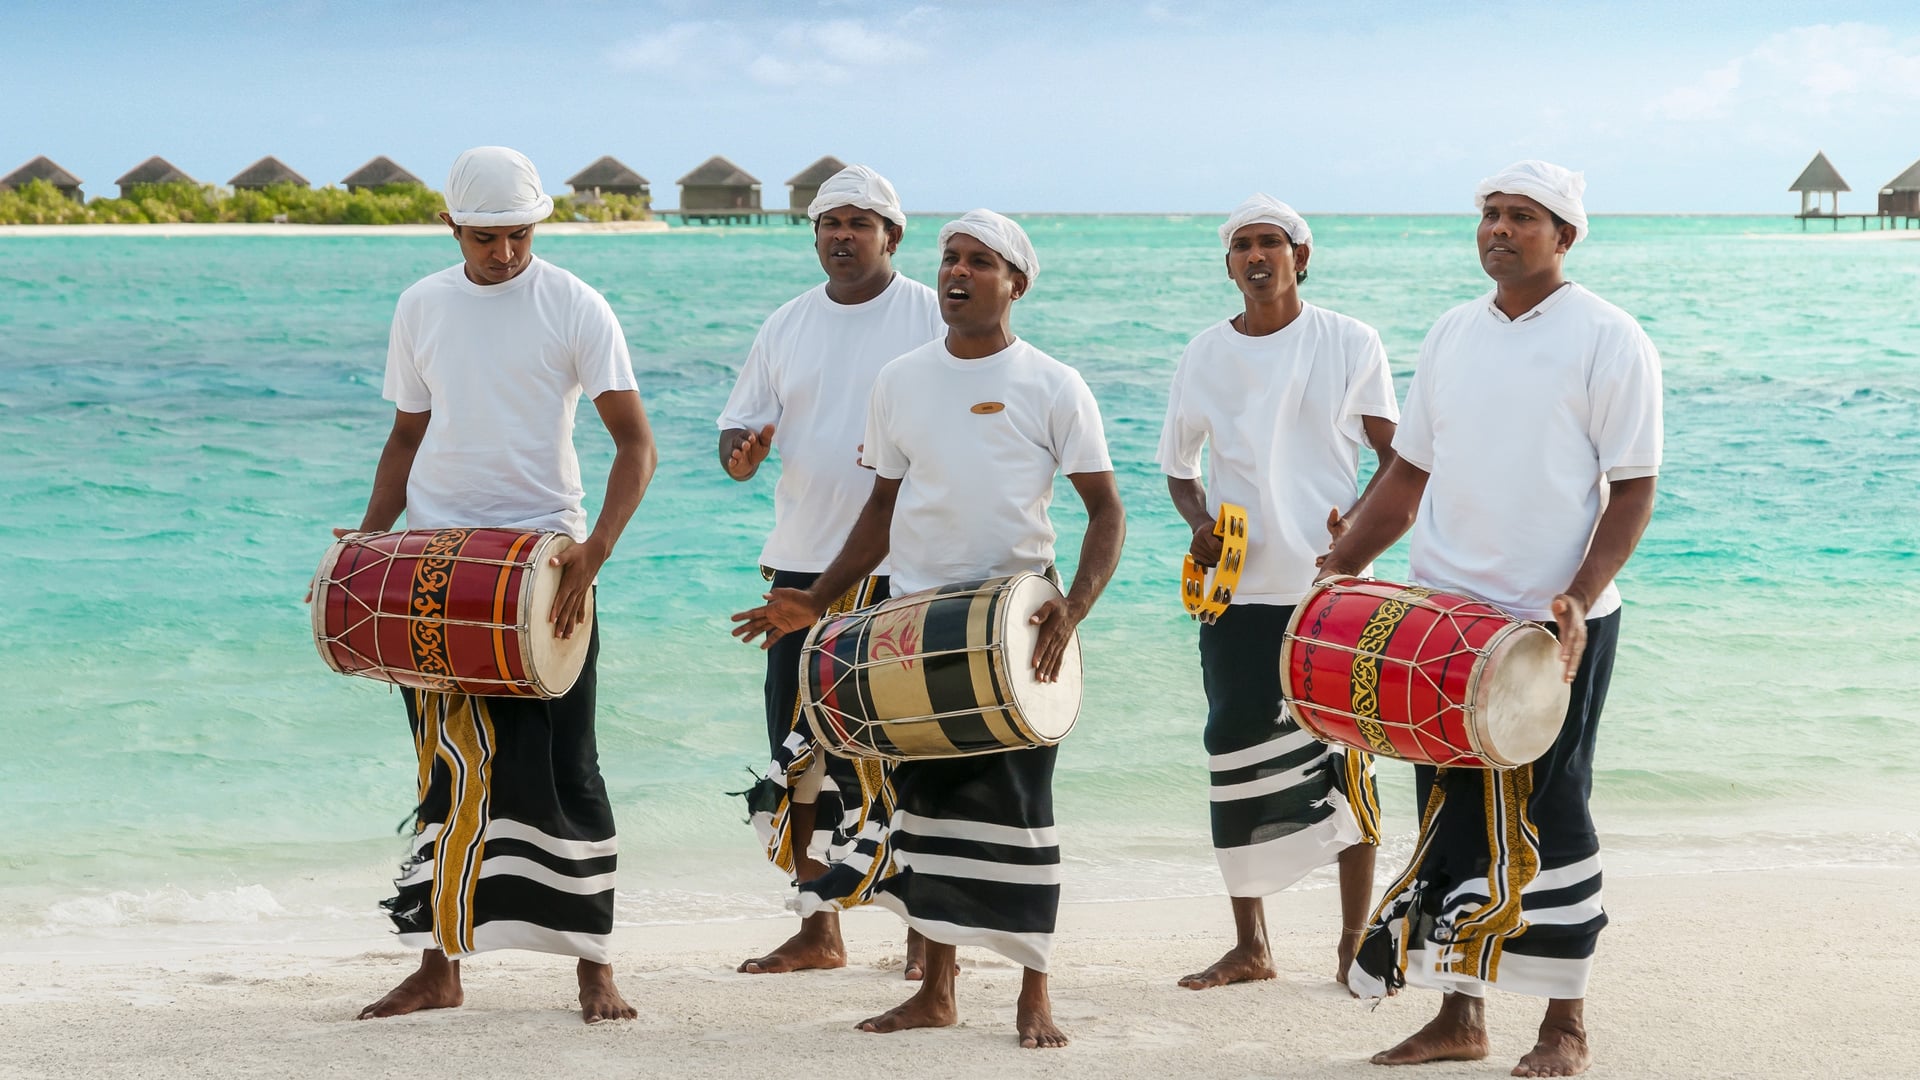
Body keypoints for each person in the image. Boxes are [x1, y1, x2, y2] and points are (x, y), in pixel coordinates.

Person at [731, 210, 1125, 1049]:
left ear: (1016, 283)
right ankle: (937, 992)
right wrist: (818, 598)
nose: (958, 273)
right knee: (925, 812)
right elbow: (881, 509)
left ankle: (1034, 994)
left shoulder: (1054, 383)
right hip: (915, 622)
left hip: (1017, 624)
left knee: (1023, 811)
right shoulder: (900, 380)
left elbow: (1105, 511)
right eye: (951, 258)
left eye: (980, 262)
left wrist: (1077, 606)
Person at [1317, 160, 1662, 1077]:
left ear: (1565, 235)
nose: (1499, 230)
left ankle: (1564, 1024)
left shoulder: (1610, 337)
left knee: (1555, 812)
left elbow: (1633, 490)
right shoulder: (1451, 332)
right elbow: (1408, 474)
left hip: (1555, 628)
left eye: (1522, 217)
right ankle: (1458, 1017)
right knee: (1449, 818)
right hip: (1444, 623)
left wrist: (1578, 595)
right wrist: (1343, 563)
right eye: (1491, 215)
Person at [337, 146, 659, 1024]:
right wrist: (369, 541)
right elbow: (407, 438)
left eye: (519, 235)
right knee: (446, 765)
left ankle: (594, 967)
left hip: (545, 567)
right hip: (434, 564)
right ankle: (438, 967)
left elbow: (636, 445)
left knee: (567, 765)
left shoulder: (576, 303)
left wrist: (594, 551)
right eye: (486, 238)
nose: (505, 254)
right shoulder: (422, 305)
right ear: (452, 227)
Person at [1157, 194, 1399, 992]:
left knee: (1348, 758)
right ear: (1229, 265)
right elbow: (1179, 469)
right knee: (1232, 755)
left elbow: (1397, 458)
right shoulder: (1205, 353)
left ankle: (1352, 943)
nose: (1257, 256)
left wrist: (1357, 526)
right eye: (1242, 246)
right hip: (1236, 593)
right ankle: (1251, 946)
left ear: (1302, 256)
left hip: (1335, 590)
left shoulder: (1350, 341)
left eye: (1272, 242)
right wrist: (1198, 521)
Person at [715, 165, 943, 978]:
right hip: (800, 565)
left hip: (906, 567)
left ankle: (924, 932)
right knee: (799, 753)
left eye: (859, 223)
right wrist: (741, 456)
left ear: (892, 235)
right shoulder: (787, 324)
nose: (842, 236)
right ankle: (818, 928)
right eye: (829, 224)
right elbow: (739, 430)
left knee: (903, 749)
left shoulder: (931, 314)